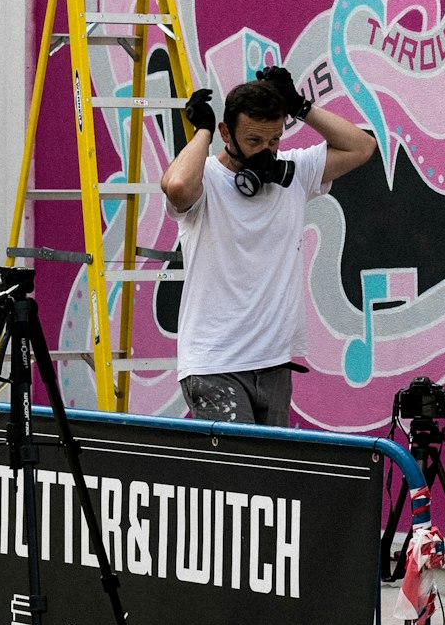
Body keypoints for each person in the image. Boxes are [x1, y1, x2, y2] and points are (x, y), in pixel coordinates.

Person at [161, 67, 376, 426]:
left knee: (269, 480)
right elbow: (178, 185)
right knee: (236, 478)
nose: (266, 152)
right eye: (254, 141)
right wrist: (203, 131)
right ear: (228, 133)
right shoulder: (208, 179)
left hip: (274, 364)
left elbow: (362, 146)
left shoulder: (294, 173)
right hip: (215, 366)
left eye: (273, 141)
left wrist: (300, 107)